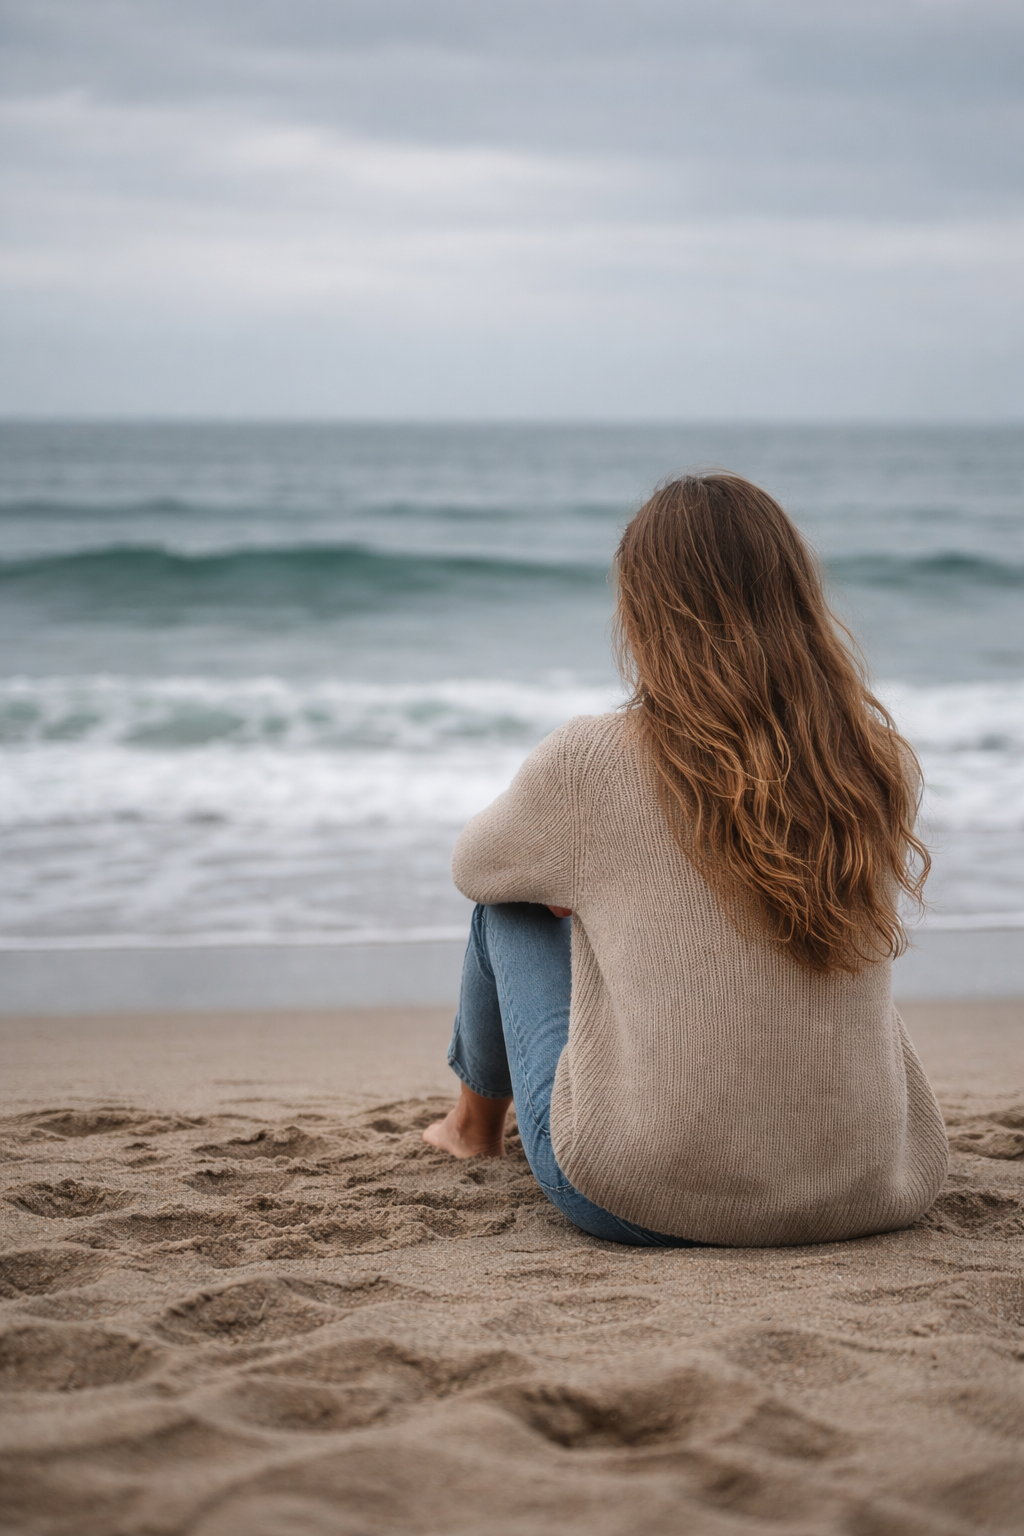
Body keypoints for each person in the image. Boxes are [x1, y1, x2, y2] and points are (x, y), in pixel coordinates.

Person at [423, 474, 948, 1247]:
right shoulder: (868, 758)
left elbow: (477, 866)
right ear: (796, 597)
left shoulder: (591, 762)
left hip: (639, 1196)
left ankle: (471, 1129)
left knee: (508, 903)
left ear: (644, 610)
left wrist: (576, 887)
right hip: (868, 1188)